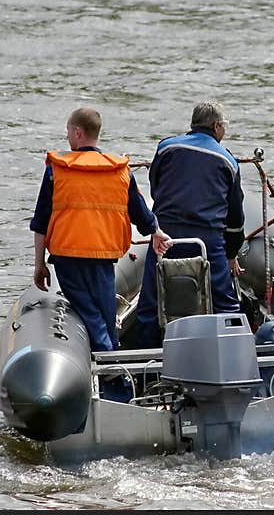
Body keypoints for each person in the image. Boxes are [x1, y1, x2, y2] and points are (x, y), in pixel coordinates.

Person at [30, 107, 171, 352]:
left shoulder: (57, 170)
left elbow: (40, 221)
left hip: (68, 259)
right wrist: (156, 232)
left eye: (68, 132)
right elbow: (140, 213)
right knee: (105, 316)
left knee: (89, 313)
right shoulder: (119, 170)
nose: (67, 137)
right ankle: (114, 367)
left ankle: (108, 357)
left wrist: (39, 264)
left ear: (77, 132)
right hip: (103, 259)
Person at [135, 101, 245, 348]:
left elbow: (156, 185)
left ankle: (146, 361)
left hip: (166, 235)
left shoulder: (166, 148)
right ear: (217, 126)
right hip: (207, 240)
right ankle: (234, 353)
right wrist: (231, 254)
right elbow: (235, 217)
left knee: (150, 301)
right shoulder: (227, 160)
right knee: (226, 303)